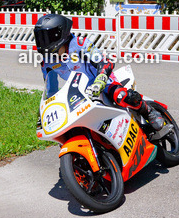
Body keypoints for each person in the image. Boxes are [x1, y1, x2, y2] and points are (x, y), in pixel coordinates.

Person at [34, 13, 172, 140]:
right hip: (78, 92)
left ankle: (149, 112)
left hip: (103, 81)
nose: (44, 43)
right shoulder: (47, 62)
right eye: (41, 38)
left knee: (120, 95)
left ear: (59, 35)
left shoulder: (79, 44)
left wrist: (100, 80)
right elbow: (50, 91)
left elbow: (105, 62)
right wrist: (46, 110)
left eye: (46, 38)